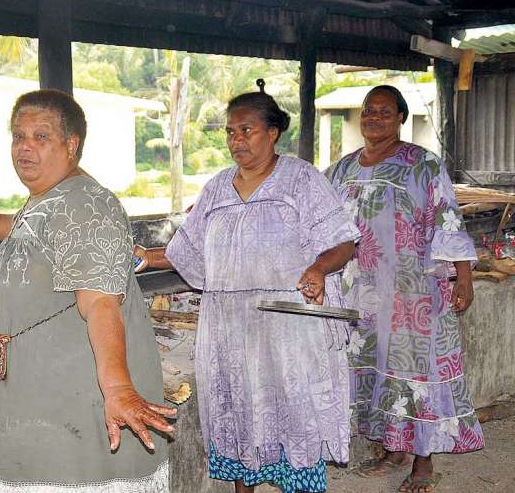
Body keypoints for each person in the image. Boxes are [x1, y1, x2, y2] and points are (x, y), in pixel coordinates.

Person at [0, 89, 174, 492]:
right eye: (18, 136)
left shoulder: (87, 205)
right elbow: (30, 231)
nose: (24, 147)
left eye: (41, 136)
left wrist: (118, 388)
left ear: (71, 144)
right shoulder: (52, 197)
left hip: (73, 407)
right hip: (40, 403)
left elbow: (100, 303)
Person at [136, 80, 359, 493]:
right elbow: (187, 248)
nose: (236, 140)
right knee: (238, 408)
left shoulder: (301, 180)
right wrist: (147, 257)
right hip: (229, 328)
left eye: (246, 130)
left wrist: (318, 269)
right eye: (230, 132)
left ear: (272, 133)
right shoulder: (217, 188)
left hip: (287, 327)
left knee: (293, 410)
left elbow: (343, 241)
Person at [327, 85, 484, 493]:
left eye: (384, 111)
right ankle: (393, 449)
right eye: (368, 110)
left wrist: (463, 276)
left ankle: (423, 460)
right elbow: (320, 220)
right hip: (360, 291)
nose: (374, 117)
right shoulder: (342, 169)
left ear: (400, 118)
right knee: (376, 369)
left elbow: (448, 218)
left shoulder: (422, 164)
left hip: (412, 291)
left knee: (414, 371)